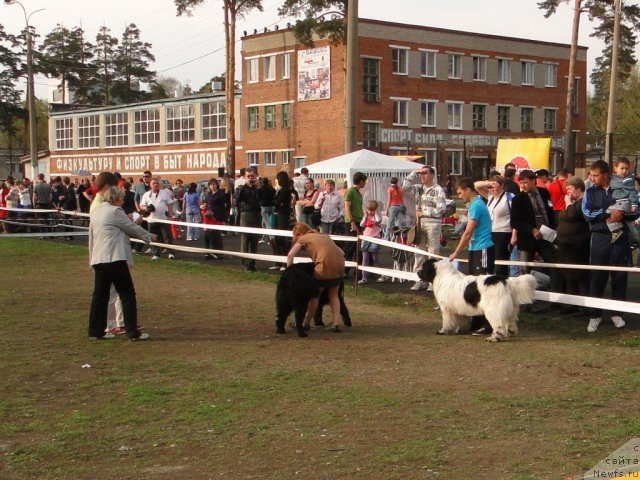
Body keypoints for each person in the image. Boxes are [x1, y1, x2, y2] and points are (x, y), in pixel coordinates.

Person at [88, 186, 154, 341]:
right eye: (122, 198)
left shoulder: (96, 212)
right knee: (127, 294)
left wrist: (91, 260)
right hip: (114, 258)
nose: (123, 201)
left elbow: (91, 237)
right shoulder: (115, 211)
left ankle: (95, 331)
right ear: (115, 199)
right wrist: (150, 237)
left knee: (100, 296)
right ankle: (132, 332)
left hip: (99, 259)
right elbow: (130, 227)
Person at [582, 160, 637, 333]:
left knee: (619, 276)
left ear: (606, 174)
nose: (592, 178)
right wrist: (608, 212)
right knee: (597, 276)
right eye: (591, 175)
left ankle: (617, 313)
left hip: (620, 238)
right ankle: (595, 315)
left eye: (596, 175)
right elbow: (586, 213)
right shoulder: (590, 191)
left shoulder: (621, 187)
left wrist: (622, 213)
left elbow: (635, 208)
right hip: (599, 238)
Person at [449, 178, 495, 335]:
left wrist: (456, 252)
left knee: (484, 287)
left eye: (460, 192)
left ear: (468, 190)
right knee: (474, 286)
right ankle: (476, 321)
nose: (460, 196)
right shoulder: (475, 204)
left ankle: (488, 323)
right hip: (475, 248)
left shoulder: (476, 205)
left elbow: (468, 232)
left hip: (483, 248)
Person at [287, 222, 345, 332]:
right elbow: (342, 252)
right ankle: (336, 324)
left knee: (315, 295)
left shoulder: (303, 238)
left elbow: (290, 255)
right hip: (339, 265)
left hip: (324, 266)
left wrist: (289, 272)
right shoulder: (323, 235)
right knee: (334, 295)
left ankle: (305, 323)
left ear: (299, 233)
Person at [510, 169, 560, 295]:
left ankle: (555, 298)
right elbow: (514, 222)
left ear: (533, 181)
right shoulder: (518, 199)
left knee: (554, 266)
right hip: (527, 240)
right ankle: (526, 300)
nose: (522, 186)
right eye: (520, 183)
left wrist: (553, 231)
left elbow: (550, 212)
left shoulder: (544, 193)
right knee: (525, 270)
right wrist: (531, 230)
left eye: (525, 182)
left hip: (546, 236)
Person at [402, 166, 447, 291]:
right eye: (421, 173)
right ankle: (420, 279)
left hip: (433, 223)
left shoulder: (438, 190)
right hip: (420, 224)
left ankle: (434, 281)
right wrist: (413, 173)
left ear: (432, 175)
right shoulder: (418, 188)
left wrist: (425, 212)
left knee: (433, 252)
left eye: (425, 173)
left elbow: (441, 209)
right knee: (419, 252)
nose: (422, 176)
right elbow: (405, 187)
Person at [555, 176, 590, 314]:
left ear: (578, 188)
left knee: (579, 275)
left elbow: (571, 215)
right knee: (569, 275)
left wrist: (568, 203)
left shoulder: (583, 202)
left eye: (569, 189)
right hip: (566, 245)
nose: (567, 192)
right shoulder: (573, 203)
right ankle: (571, 304)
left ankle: (584, 305)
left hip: (578, 245)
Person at [475, 175, 515, 277]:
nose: (492, 188)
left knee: (500, 263)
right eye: (491, 186)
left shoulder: (510, 197)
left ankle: (502, 281)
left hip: (503, 233)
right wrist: (488, 184)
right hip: (490, 232)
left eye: (495, 185)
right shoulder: (490, 196)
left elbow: (516, 217)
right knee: (489, 261)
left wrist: (514, 235)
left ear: (502, 185)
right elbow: (476, 186)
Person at [140, 177, 175, 260]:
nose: (156, 185)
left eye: (157, 183)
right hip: (152, 220)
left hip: (163, 219)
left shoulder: (164, 193)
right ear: (150, 185)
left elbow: (170, 203)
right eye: (154, 183)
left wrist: (170, 213)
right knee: (153, 237)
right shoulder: (147, 194)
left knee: (167, 237)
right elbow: (141, 205)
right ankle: (156, 253)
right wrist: (146, 209)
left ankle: (171, 252)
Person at [605, 157, 639, 245]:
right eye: (622, 168)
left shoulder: (628, 179)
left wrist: (634, 204)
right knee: (628, 223)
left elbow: (632, 191)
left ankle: (616, 230)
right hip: (619, 202)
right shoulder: (614, 178)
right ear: (615, 168)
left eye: (627, 169)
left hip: (624, 202)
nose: (624, 171)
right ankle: (636, 237)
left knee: (608, 211)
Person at [234, 167, 261, 272]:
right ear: (245, 177)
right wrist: (245, 185)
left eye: (252, 176)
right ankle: (245, 264)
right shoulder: (241, 187)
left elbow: (264, 198)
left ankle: (252, 264)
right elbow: (237, 196)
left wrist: (260, 187)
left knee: (254, 241)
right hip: (245, 214)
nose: (250, 178)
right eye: (248, 176)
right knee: (245, 241)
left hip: (256, 214)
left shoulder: (257, 188)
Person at [343, 172, 368, 273]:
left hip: (359, 221)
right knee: (350, 246)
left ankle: (357, 270)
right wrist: (352, 222)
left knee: (357, 247)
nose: (365, 184)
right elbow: (347, 208)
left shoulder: (358, 193)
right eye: (364, 181)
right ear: (360, 181)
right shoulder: (350, 192)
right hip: (352, 222)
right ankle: (345, 270)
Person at [358, 200, 385, 284]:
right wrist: (365, 216)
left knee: (375, 258)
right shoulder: (366, 216)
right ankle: (364, 277)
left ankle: (383, 274)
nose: (370, 212)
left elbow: (378, 220)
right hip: (366, 237)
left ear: (375, 210)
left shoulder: (377, 216)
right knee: (365, 258)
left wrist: (375, 213)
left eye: (372, 210)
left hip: (375, 238)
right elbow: (361, 225)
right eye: (369, 210)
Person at [272, 171, 295, 269]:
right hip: (278, 214)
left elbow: (278, 201)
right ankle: (278, 262)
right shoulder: (282, 190)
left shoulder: (286, 190)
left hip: (283, 215)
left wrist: (276, 202)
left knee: (281, 238)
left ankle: (285, 262)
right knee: (276, 238)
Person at [202, 178, 228, 259]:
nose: (213, 186)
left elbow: (225, 206)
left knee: (216, 235)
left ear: (217, 185)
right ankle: (208, 252)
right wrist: (203, 206)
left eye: (214, 184)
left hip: (217, 217)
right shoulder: (208, 194)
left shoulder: (221, 194)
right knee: (207, 234)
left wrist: (224, 219)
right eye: (211, 185)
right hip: (208, 217)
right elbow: (206, 203)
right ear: (209, 186)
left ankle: (218, 253)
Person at [257, 177, 276, 244]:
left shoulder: (261, 189)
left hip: (264, 207)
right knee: (266, 223)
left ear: (262, 182)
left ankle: (272, 238)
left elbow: (258, 198)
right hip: (271, 207)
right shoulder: (272, 189)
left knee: (267, 223)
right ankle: (264, 238)